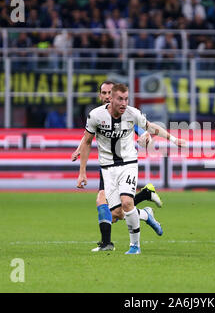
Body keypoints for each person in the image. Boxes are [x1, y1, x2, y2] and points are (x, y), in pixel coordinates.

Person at [76, 83, 186, 254]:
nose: (124, 103)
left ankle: (134, 246)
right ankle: (146, 212)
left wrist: (172, 139)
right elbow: (87, 141)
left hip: (128, 163)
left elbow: (149, 128)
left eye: (126, 99)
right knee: (117, 214)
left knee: (127, 202)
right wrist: (82, 172)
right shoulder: (96, 116)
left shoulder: (132, 113)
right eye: (120, 99)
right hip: (107, 168)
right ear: (110, 99)